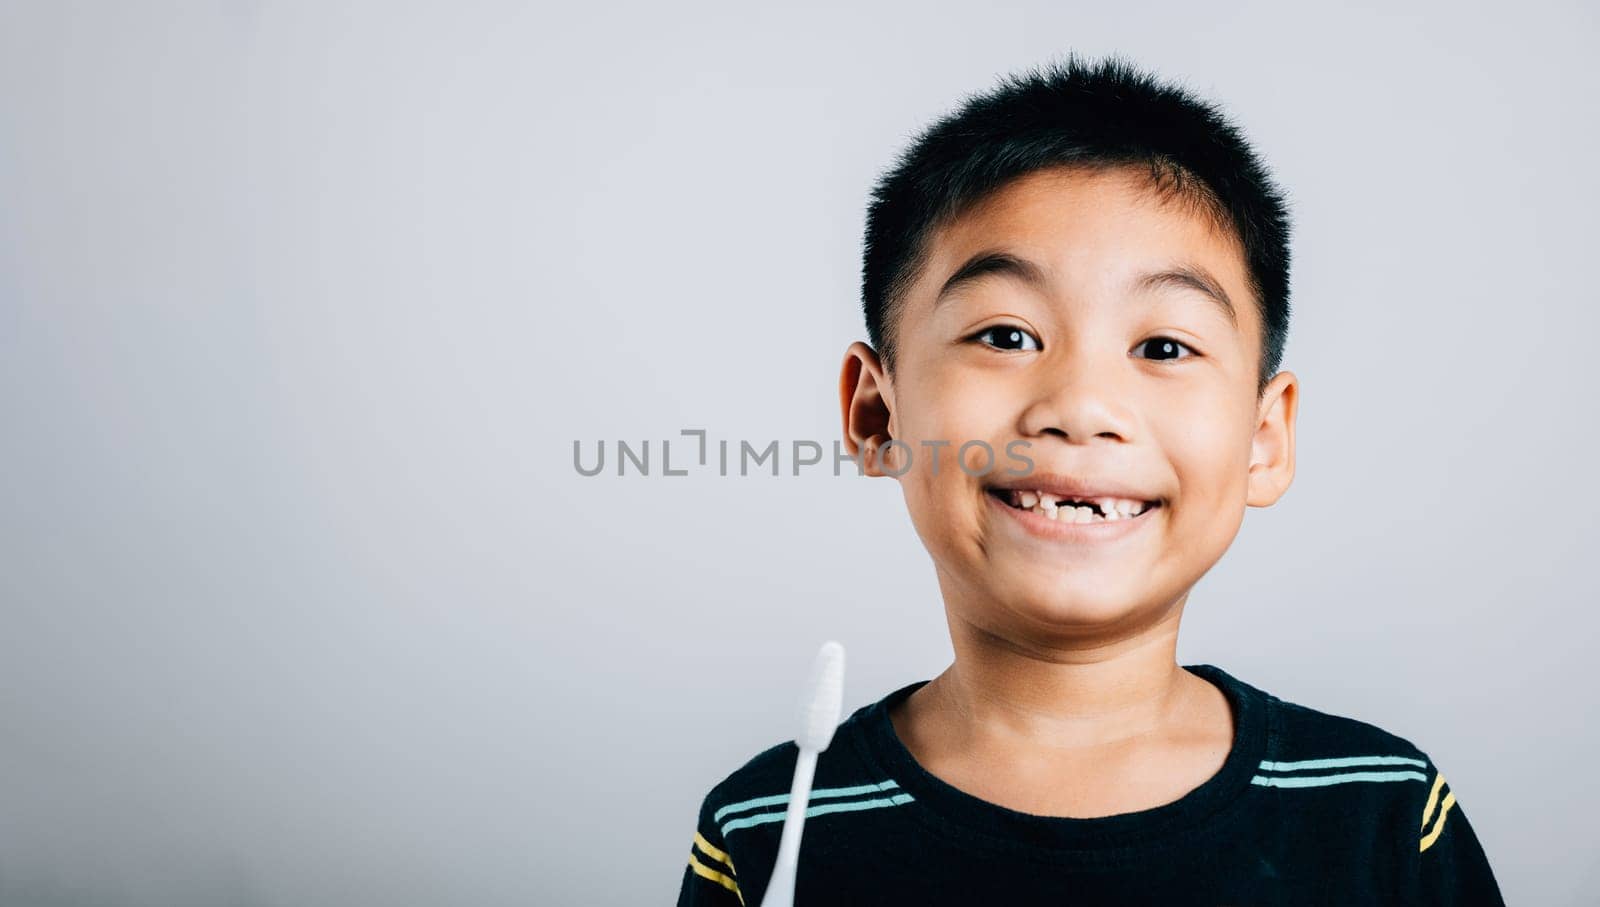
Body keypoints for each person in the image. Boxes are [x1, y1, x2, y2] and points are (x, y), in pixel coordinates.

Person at [675, 53, 1505, 905]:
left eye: (1164, 347)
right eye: (1005, 335)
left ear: (1264, 438)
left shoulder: (1383, 812)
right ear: (878, 416)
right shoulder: (772, 826)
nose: (1081, 407)